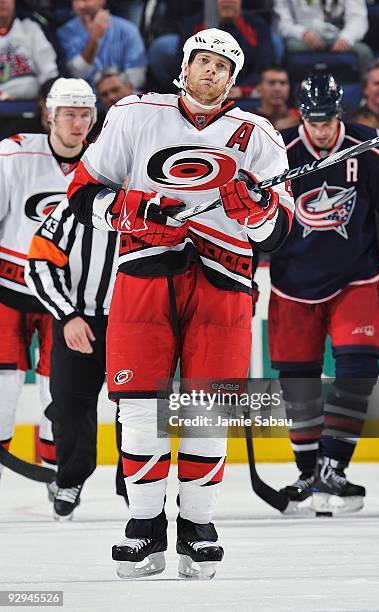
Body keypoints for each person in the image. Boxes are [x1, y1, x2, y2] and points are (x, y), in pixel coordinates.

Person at [67, 28, 294, 579]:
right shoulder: (133, 116)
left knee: (208, 408)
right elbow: (81, 192)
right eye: (204, 61)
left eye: (223, 65)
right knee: (141, 407)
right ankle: (143, 525)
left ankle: (198, 525)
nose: (211, 71)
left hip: (227, 280)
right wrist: (136, 209)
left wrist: (253, 212)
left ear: (234, 79)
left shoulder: (257, 134)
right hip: (144, 272)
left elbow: (280, 229)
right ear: (184, 65)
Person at [267, 73, 379, 515]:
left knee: (358, 370)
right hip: (291, 282)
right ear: (300, 115)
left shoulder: (368, 147)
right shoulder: (278, 151)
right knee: (298, 382)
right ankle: (308, 472)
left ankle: (334, 466)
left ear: (340, 114)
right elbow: (250, 211)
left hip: (356, 278)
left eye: (328, 120)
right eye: (313, 120)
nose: (322, 129)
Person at [0, 77, 96, 496]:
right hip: (7, 291)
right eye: (69, 114)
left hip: (65, 301)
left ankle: (62, 478)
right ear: (50, 115)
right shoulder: (13, 154)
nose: (77, 123)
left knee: (58, 396)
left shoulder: (103, 164)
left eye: (84, 114)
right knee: (1, 390)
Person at [25, 197, 124, 520]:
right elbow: (38, 262)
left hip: (136, 323)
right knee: (69, 405)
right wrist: (67, 316)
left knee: (140, 409)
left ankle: (137, 487)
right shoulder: (74, 205)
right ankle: (69, 479)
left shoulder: (158, 199)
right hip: (79, 320)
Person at [149, 0, 276, 97]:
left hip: (241, 88)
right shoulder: (193, 25)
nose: (227, 2)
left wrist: (242, 89)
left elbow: (264, 67)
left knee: (277, 45)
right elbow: (182, 65)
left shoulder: (257, 26)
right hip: (203, 86)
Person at [58, 0, 147, 90]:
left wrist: (114, 91)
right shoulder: (65, 33)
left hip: (123, 95)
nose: (81, 5)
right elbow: (77, 75)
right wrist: (93, 38)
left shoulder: (128, 30)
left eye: (86, 0)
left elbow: (137, 75)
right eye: (76, 0)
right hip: (84, 97)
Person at [274, 0, 373, 77]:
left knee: (364, 52)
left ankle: (365, 97)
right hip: (302, 39)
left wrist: (346, 38)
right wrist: (303, 33)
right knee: (289, 47)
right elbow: (281, 23)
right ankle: (288, 97)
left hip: (338, 36)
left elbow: (358, 18)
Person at [0, 0, 58, 100]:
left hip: (35, 104)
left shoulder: (31, 28)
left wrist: (46, 100)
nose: (3, 1)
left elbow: (50, 74)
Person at [255, 66, 300, 130]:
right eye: (272, 83)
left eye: (283, 83)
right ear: (258, 89)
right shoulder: (249, 119)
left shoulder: (301, 118)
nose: (277, 89)